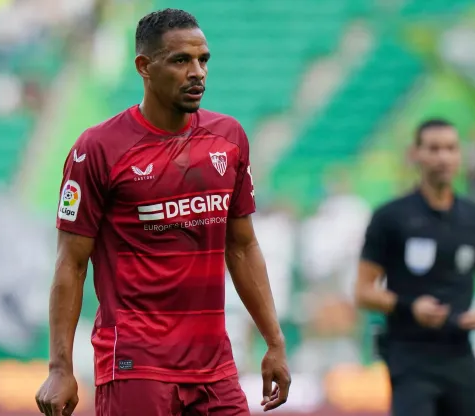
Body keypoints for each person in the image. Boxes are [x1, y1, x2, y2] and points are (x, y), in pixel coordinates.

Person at [35, 8, 290, 416]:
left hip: (215, 368)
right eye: (180, 61)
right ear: (144, 67)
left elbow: (242, 247)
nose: (197, 72)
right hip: (137, 366)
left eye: (203, 60)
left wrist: (274, 342)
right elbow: (71, 264)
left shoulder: (228, 139)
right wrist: (60, 367)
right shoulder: (98, 149)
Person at [354, 119, 475, 416]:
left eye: (450, 149)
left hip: (459, 355)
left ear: (460, 155)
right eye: (434, 149)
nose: (443, 158)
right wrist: (410, 307)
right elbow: (362, 291)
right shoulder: (390, 217)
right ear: (416, 154)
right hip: (409, 356)